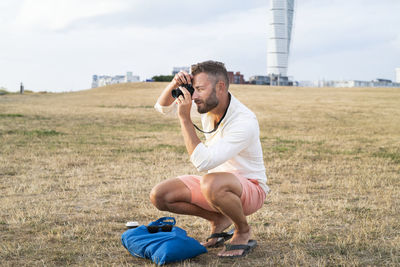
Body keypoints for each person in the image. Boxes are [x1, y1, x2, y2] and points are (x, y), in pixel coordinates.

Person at [150, 60, 269, 258]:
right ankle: (219, 219)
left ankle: (243, 230)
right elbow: (162, 108)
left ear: (220, 87)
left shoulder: (244, 121)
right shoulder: (207, 102)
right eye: (193, 89)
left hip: (250, 188)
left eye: (199, 89)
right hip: (214, 185)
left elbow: (203, 163)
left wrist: (185, 119)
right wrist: (174, 84)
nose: (194, 96)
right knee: (160, 195)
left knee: (211, 181)